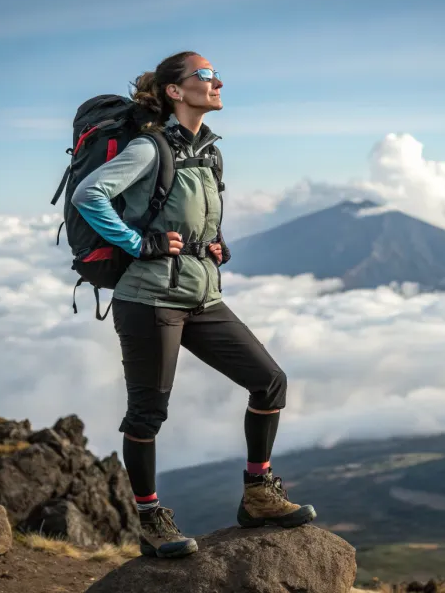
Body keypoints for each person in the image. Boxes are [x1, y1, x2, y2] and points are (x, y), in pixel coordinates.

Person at [70, 51, 316, 559]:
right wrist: (139, 244)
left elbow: (187, 212)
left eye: (215, 74)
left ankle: (258, 493)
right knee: (148, 413)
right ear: (174, 92)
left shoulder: (208, 152)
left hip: (202, 296)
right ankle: (149, 518)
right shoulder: (149, 147)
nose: (216, 81)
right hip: (148, 299)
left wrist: (215, 242)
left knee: (269, 381)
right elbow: (89, 196)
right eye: (203, 75)